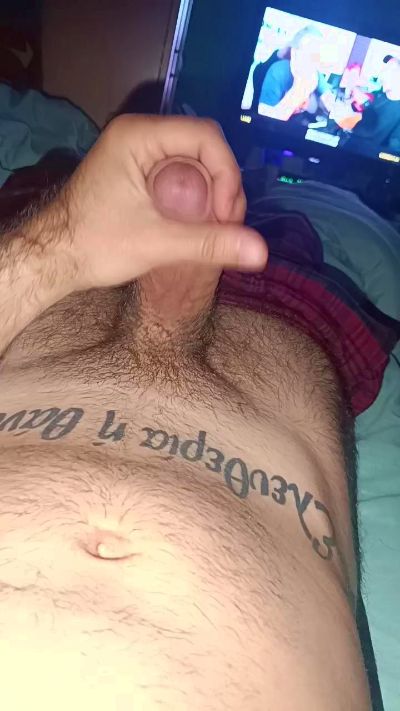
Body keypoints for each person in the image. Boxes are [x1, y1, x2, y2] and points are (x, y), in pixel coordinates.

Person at [1, 114, 394, 710]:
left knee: (46, 189)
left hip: (45, 304)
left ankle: (78, 195)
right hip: (273, 328)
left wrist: (51, 247)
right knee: (300, 223)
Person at [258, 25, 335, 121]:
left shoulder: (315, 73)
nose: (313, 61)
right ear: (295, 53)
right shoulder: (277, 71)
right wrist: (298, 90)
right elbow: (265, 119)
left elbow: (330, 103)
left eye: (317, 55)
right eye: (308, 52)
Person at [340, 55, 400, 156]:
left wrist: (365, 103)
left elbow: (392, 151)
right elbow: (362, 112)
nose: (382, 74)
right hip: (347, 147)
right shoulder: (380, 95)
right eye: (385, 69)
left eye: (391, 70)